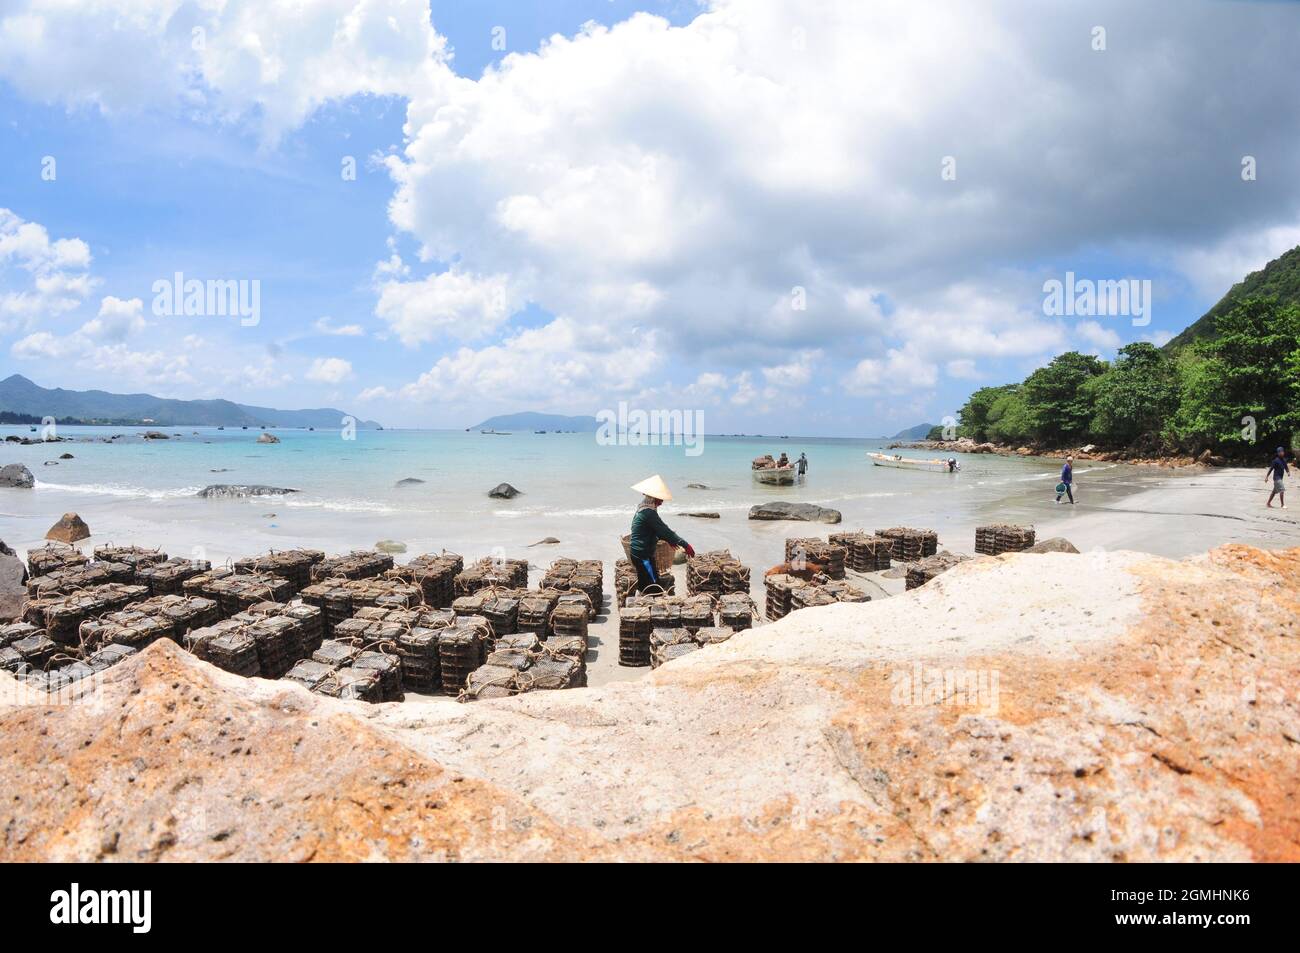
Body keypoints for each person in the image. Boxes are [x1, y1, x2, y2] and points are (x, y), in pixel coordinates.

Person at [628, 474, 694, 592]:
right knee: (653, 586)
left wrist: (669, 540)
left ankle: (644, 598)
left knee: (646, 582)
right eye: (660, 499)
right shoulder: (649, 513)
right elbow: (664, 530)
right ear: (653, 498)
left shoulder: (644, 507)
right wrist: (685, 545)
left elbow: (656, 530)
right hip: (642, 555)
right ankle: (647, 603)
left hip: (641, 553)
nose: (662, 502)